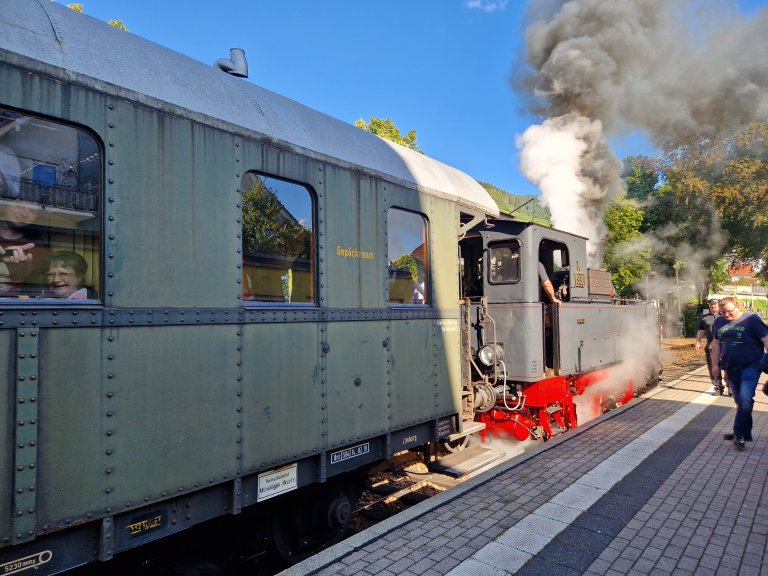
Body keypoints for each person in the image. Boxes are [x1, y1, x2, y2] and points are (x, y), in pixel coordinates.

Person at [710, 297, 768, 449]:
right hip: (730, 368)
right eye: (723, 313)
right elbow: (715, 343)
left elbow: (766, 340)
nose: (726, 315)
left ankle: (738, 434)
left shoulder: (752, 319)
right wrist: (715, 364)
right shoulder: (719, 322)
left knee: (744, 398)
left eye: (729, 311)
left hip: (751, 366)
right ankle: (746, 432)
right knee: (740, 401)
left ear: (737, 306)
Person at [695, 298, 726, 395]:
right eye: (711, 306)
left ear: (719, 306)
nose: (713, 308)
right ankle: (718, 387)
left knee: (728, 367)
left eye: (715, 306)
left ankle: (730, 386)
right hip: (711, 347)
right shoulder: (705, 318)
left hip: (725, 346)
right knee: (713, 367)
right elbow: (701, 330)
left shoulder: (725, 316)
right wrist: (697, 341)